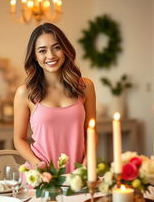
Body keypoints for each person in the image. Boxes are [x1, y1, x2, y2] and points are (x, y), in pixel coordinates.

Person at [13, 23, 96, 173]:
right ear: (35, 56)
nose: (50, 55)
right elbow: (19, 139)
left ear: (65, 49)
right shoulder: (24, 92)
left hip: (78, 175)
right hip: (42, 176)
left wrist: (88, 160)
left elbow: (91, 130)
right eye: (42, 50)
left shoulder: (85, 87)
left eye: (56, 47)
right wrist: (36, 164)